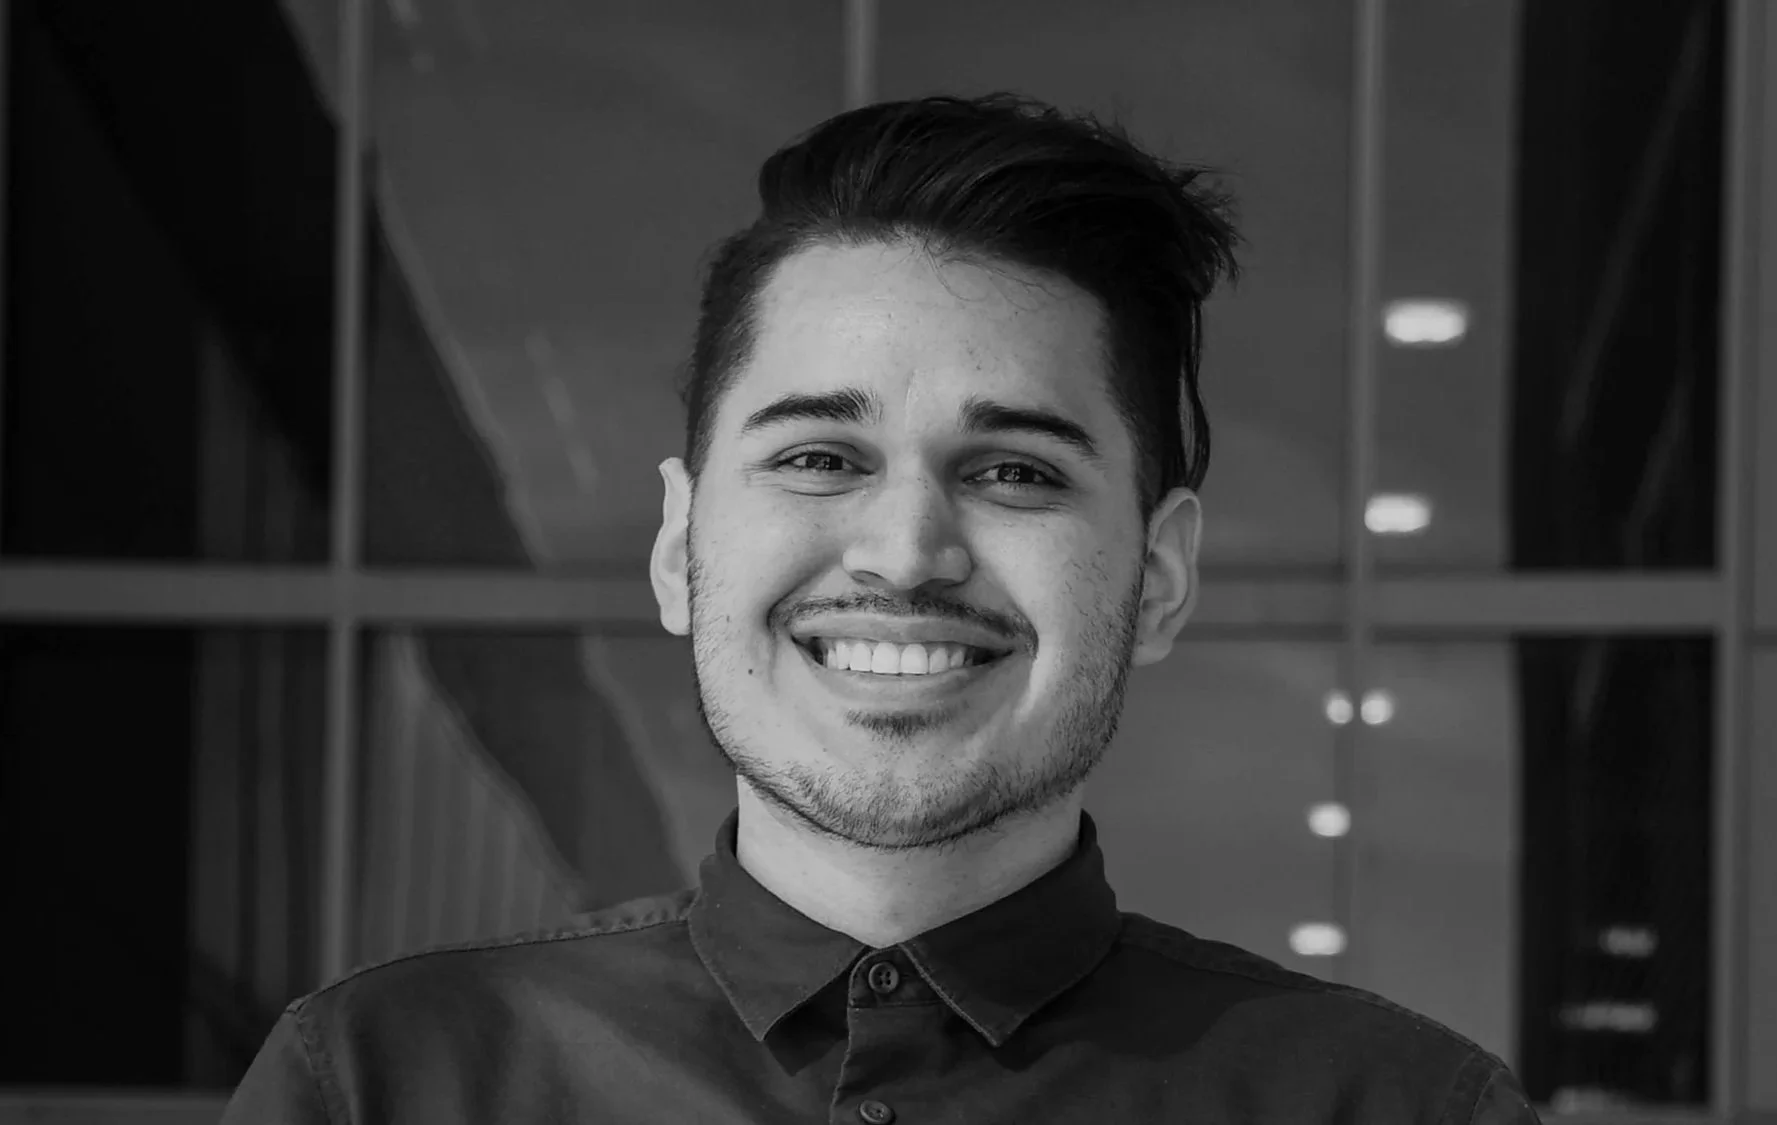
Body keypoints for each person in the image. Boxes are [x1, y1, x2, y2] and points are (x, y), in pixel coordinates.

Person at [223, 93, 1539, 1124]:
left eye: (1015, 471)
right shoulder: (382, 1089)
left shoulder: (1403, 1112)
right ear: (681, 544)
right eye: (818, 458)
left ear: (1159, 574)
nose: (906, 552)